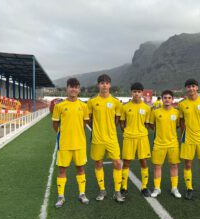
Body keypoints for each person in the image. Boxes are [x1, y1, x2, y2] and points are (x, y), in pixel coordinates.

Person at [52, 78, 90, 208]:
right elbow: (55, 124)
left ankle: (82, 194)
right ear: (66, 89)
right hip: (64, 144)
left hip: (80, 143)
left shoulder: (83, 106)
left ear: (79, 89)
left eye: (76, 87)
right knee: (62, 169)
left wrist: (76, 133)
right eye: (71, 87)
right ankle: (61, 196)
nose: (73, 89)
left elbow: (84, 124)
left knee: (80, 168)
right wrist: (65, 134)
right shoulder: (59, 106)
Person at [87, 74, 124, 203]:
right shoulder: (92, 102)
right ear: (98, 85)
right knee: (98, 163)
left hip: (112, 139)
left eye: (107, 83)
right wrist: (96, 129)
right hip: (97, 139)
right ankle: (102, 189)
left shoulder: (115, 102)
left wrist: (110, 129)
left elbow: (117, 119)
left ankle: (117, 191)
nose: (104, 85)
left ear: (110, 85)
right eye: (102, 83)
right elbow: (89, 119)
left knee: (117, 163)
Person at [178, 78, 200, 201]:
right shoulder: (182, 104)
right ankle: (189, 188)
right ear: (186, 89)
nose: (191, 88)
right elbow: (181, 122)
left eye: (193, 86)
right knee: (187, 164)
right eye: (188, 86)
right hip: (188, 139)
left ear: (197, 87)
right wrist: (183, 135)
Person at [120, 82, 152, 197]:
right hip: (129, 137)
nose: (136, 94)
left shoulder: (147, 108)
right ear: (131, 92)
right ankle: (123, 187)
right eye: (134, 91)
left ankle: (144, 187)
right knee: (127, 162)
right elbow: (122, 123)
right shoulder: (125, 107)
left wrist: (140, 131)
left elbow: (147, 124)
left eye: (139, 92)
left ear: (142, 93)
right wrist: (128, 131)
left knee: (143, 161)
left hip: (142, 138)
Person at [149, 90, 181, 198]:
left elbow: (177, 126)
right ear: (162, 99)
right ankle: (157, 188)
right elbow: (152, 125)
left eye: (169, 98)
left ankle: (174, 188)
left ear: (172, 99)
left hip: (173, 143)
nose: (167, 99)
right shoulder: (156, 112)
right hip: (159, 143)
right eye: (165, 97)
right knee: (157, 166)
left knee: (174, 165)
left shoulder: (176, 112)